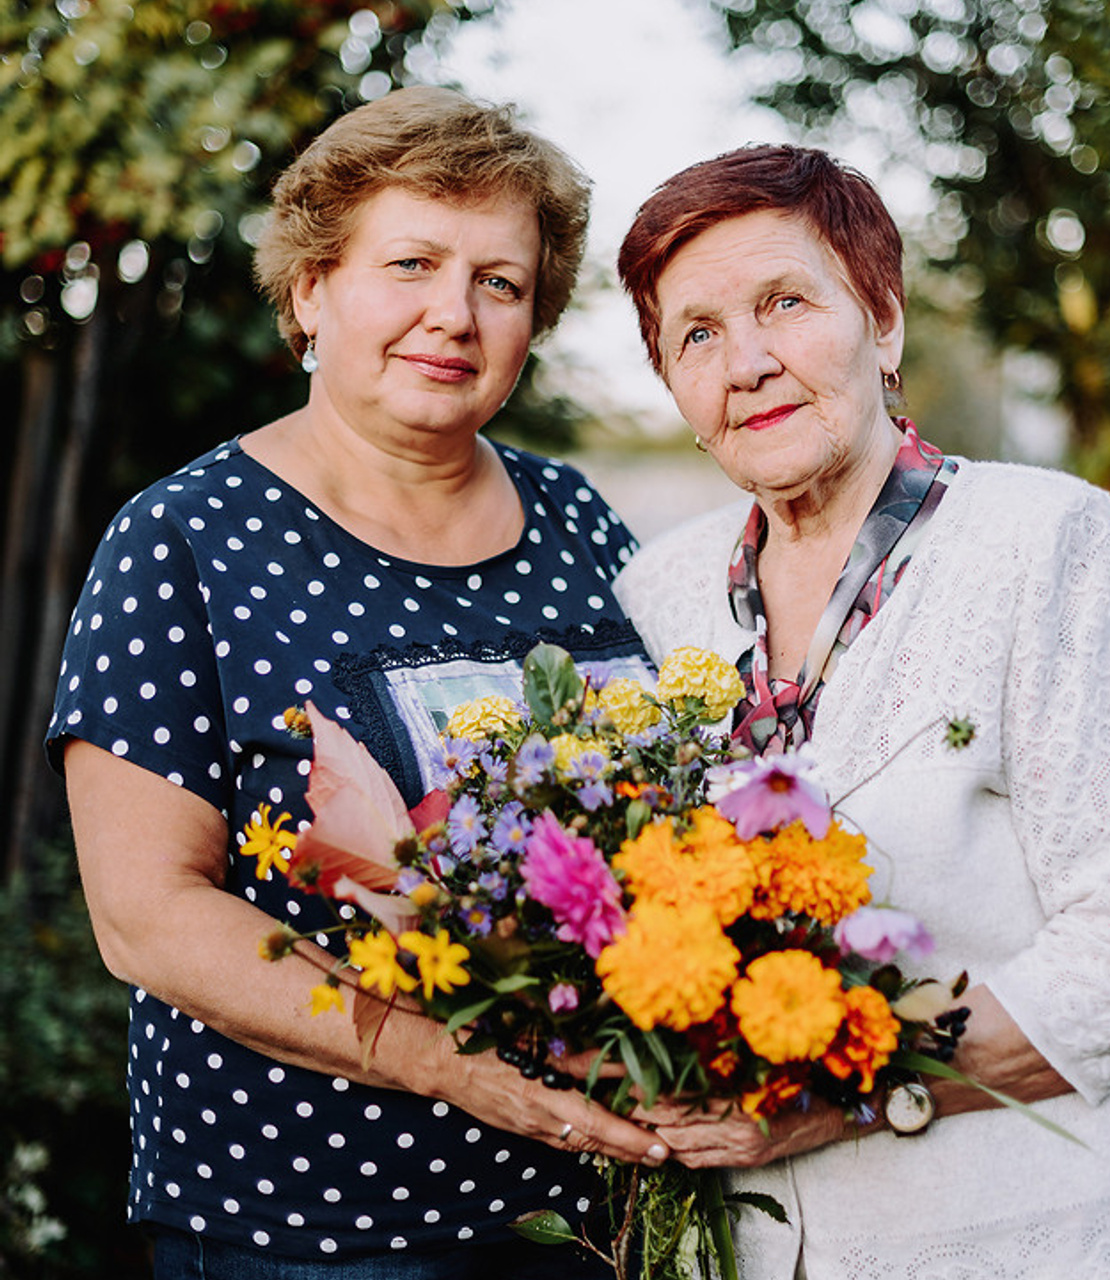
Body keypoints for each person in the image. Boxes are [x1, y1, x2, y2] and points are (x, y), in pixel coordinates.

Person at [46, 86, 669, 1277]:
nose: (454, 314)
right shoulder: (184, 539)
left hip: (595, 1205)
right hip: (312, 1228)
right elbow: (146, 915)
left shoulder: (577, 516)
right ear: (310, 290)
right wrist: (448, 1061)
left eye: (499, 282)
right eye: (411, 263)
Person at [612, 144, 1110, 1278]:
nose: (746, 363)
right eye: (696, 334)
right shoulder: (656, 593)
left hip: (1046, 1231)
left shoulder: (1042, 541)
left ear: (885, 322)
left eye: (785, 303)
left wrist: (832, 1096)